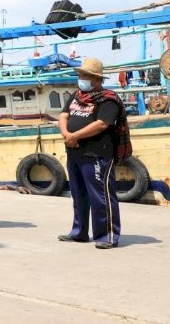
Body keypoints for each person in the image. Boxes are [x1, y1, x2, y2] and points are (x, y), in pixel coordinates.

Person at [58, 57, 125, 249]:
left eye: (84, 75)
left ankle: (107, 235)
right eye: (80, 75)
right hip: (74, 152)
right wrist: (66, 134)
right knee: (78, 194)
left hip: (97, 154)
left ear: (95, 79)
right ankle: (79, 231)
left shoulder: (108, 99)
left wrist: (75, 135)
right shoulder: (76, 96)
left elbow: (101, 124)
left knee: (101, 195)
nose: (80, 79)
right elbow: (64, 115)